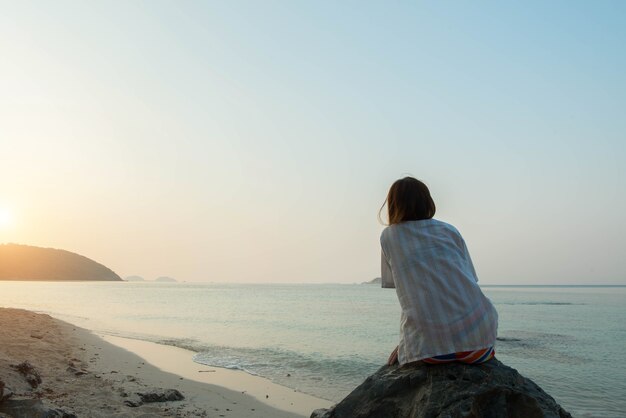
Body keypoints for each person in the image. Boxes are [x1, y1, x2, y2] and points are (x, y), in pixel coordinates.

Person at [380, 177, 498, 366]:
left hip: (431, 351)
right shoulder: (450, 230)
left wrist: (406, 344)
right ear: (427, 201)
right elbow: (470, 278)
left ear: (393, 205)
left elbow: (409, 296)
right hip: (479, 344)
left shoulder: (390, 236)